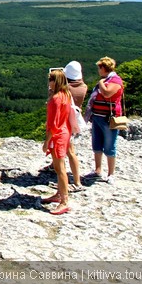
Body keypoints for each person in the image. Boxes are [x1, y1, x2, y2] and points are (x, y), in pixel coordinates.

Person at [86, 56, 124, 183]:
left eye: (99, 67)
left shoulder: (116, 80)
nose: (98, 70)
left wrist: (101, 82)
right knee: (97, 144)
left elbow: (107, 93)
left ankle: (111, 174)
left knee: (109, 146)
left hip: (109, 118)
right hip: (97, 116)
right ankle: (97, 170)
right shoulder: (109, 79)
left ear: (104, 68)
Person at [41, 68, 73, 215]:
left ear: (55, 81)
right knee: (61, 166)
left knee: (60, 169)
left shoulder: (56, 99)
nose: (49, 82)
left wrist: (46, 141)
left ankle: (64, 201)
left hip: (57, 135)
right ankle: (59, 194)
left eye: (50, 80)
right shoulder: (66, 94)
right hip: (65, 132)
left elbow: (53, 124)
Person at [63, 60, 87, 191]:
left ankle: (77, 182)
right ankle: (52, 165)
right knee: (67, 150)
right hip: (74, 122)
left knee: (70, 152)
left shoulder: (66, 90)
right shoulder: (83, 87)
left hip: (65, 122)